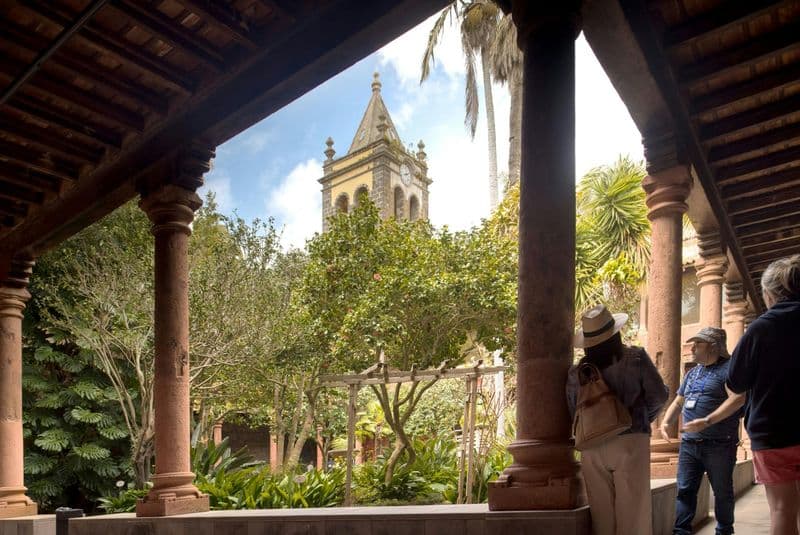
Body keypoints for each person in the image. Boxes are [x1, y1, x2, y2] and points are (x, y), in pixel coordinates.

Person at [567, 304, 668, 535]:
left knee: (602, 518)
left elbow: (574, 411)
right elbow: (659, 396)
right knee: (634, 516)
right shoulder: (636, 358)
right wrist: (639, 420)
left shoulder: (576, 373)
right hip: (631, 442)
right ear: (614, 333)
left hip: (592, 445)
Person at [727, 255, 800, 535]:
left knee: (782, 508)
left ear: (769, 294)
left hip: (773, 433)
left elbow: (735, 382)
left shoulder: (760, 329)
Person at [659, 327, 745, 535]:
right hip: (689, 444)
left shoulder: (729, 369)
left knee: (722, 493)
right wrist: (665, 422)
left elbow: (738, 398)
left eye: (699, 343)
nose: (693, 348)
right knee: (685, 491)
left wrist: (707, 420)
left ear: (714, 346)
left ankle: (724, 531)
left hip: (719, 445)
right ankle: (681, 532)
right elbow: (679, 401)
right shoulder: (693, 372)